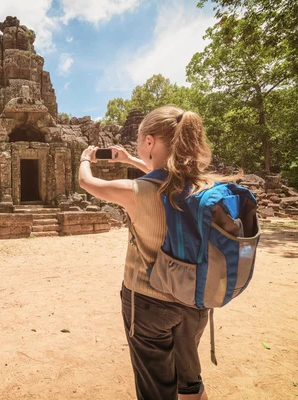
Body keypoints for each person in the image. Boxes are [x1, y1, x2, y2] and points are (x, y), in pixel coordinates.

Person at [78, 105, 217, 400]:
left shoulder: (137, 192)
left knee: (156, 389)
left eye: (141, 140)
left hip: (149, 304)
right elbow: (166, 176)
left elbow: (86, 182)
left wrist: (84, 159)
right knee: (190, 381)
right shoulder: (203, 187)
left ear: (150, 142)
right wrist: (130, 159)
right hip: (195, 301)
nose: (139, 146)